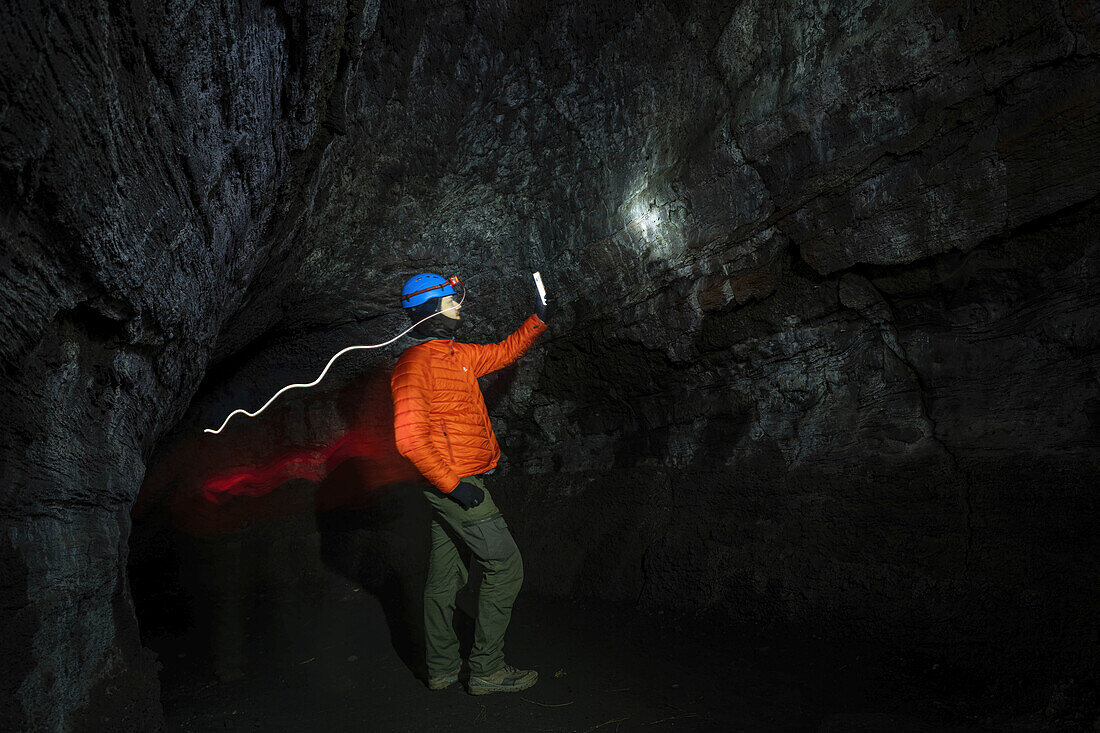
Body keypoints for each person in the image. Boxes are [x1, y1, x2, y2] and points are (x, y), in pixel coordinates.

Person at [390, 272, 551, 695]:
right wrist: (454, 487)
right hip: (456, 484)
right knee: (506, 566)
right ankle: (486, 669)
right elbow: (409, 439)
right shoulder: (412, 366)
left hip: (462, 479)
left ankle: (442, 669)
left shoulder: (457, 355)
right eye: (450, 300)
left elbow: (502, 353)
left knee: (445, 579)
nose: (458, 306)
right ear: (429, 309)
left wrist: (537, 320)